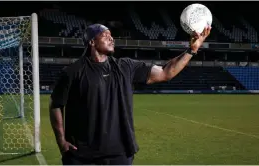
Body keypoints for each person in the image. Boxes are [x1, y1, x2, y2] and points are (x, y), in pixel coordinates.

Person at [49, 23, 211, 165]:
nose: (111, 39)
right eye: (105, 36)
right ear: (92, 42)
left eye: (112, 36)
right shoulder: (72, 72)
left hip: (119, 154)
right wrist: (61, 141)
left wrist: (192, 50)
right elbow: (56, 105)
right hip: (81, 156)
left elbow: (165, 72)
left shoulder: (126, 67)